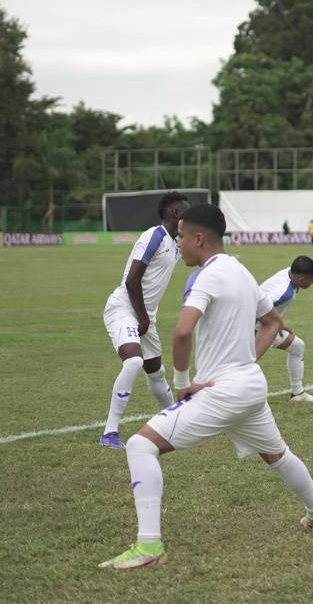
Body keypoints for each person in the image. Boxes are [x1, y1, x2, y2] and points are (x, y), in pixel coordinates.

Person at [99, 204, 313, 570]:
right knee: (277, 454)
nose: (178, 246)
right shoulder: (242, 270)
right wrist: (247, 362)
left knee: (142, 445)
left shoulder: (205, 276)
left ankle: (148, 547)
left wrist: (181, 384)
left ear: (198, 238)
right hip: (251, 387)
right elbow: (272, 323)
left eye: (181, 238)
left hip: (224, 391)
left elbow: (182, 331)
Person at [100, 191, 190, 450]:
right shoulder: (155, 235)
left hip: (145, 315)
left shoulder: (175, 242)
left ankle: (176, 421)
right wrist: (142, 317)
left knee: (156, 372)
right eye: (187, 209)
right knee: (134, 362)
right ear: (175, 214)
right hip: (124, 308)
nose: (190, 213)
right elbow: (132, 279)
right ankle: (110, 433)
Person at [258, 256, 313, 404]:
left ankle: (297, 393)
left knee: (297, 346)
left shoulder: (289, 273)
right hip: (253, 326)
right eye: (312, 280)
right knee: (245, 364)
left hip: (267, 324)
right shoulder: (283, 292)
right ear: (301, 279)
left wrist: (278, 322)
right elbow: (256, 306)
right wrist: (274, 324)